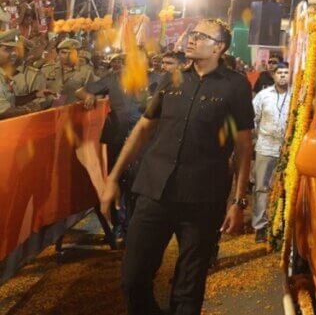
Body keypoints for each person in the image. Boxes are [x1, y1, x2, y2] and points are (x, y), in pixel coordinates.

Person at [100, 19, 255, 315]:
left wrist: (238, 201)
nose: (191, 39)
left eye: (200, 35)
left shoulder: (235, 86)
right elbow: (143, 130)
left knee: (188, 289)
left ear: (218, 47)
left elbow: (243, 146)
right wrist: (113, 177)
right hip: (154, 191)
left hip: (202, 199)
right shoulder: (170, 79)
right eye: (192, 34)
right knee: (132, 280)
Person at [77, 52, 147, 239]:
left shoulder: (151, 80)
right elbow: (81, 91)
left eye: (124, 62)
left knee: (136, 183)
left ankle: (134, 225)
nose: (120, 66)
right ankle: (119, 225)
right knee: (116, 180)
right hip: (116, 137)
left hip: (141, 139)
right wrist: (88, 96)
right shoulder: (112, 80)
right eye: (118, 62)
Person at [250, 63, 290, 243]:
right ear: (273, 76)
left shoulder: (298, 96)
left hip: (287, 150)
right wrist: (256, 138)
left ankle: (280, 226)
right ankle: (260, 225)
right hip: (265, 147)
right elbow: (253, 118)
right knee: (261, 187)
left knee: (285, 188)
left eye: (286, 73)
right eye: (279, 73)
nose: (283, 76)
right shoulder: (263, 96)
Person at [0, 30, 43, 119]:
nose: (14, 53)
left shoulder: (4, 74)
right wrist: (27, 110)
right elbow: (3, 112)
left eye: (14, 49)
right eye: (8, 49)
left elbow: (11, 100)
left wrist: (34, 95)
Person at [40, 38, 95, 102]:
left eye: (71, 53)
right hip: (49, 109)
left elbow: (90, 94)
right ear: (58, 54)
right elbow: (38, 93)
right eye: (63, 52)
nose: (67, 56)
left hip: (72, 110)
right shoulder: (46, 69)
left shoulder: (86, 72)